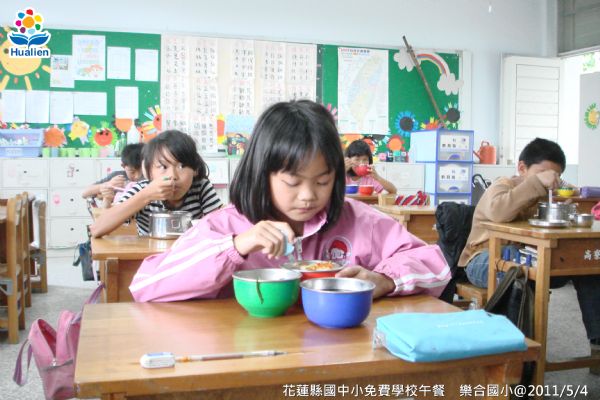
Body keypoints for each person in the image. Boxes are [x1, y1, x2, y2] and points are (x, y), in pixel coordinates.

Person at [128, 100, 450, 302]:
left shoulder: (359, 220)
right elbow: (146, 284)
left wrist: (386, 280)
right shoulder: (224, 226)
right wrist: (236, 247)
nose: (309, 196)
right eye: (293, 182)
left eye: (322, 181)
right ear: (261, 173)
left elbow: (434, 263)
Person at [458, 137, 600, 354]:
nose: (549, 180)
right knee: (522, 271)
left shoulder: (550, 191)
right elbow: (498, 212)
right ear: (522, 168)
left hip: (533, 258)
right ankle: (516, 352)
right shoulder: (503, 185)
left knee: (589, 268)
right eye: (543, 173)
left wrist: (568, 203)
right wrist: (536, 184)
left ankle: (597, 344)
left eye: (555, 176)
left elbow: (574, 195)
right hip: (483, 259)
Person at [89, 130, 222, 237]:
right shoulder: (142, 190)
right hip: (150, 259)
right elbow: (97, 228)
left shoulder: (201, 187)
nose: (173, 176)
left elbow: (222, 227)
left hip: (188, 258)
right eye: (163, 167)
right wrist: (146, 196)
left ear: (195, 169)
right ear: (149, 172)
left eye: (181, 166)